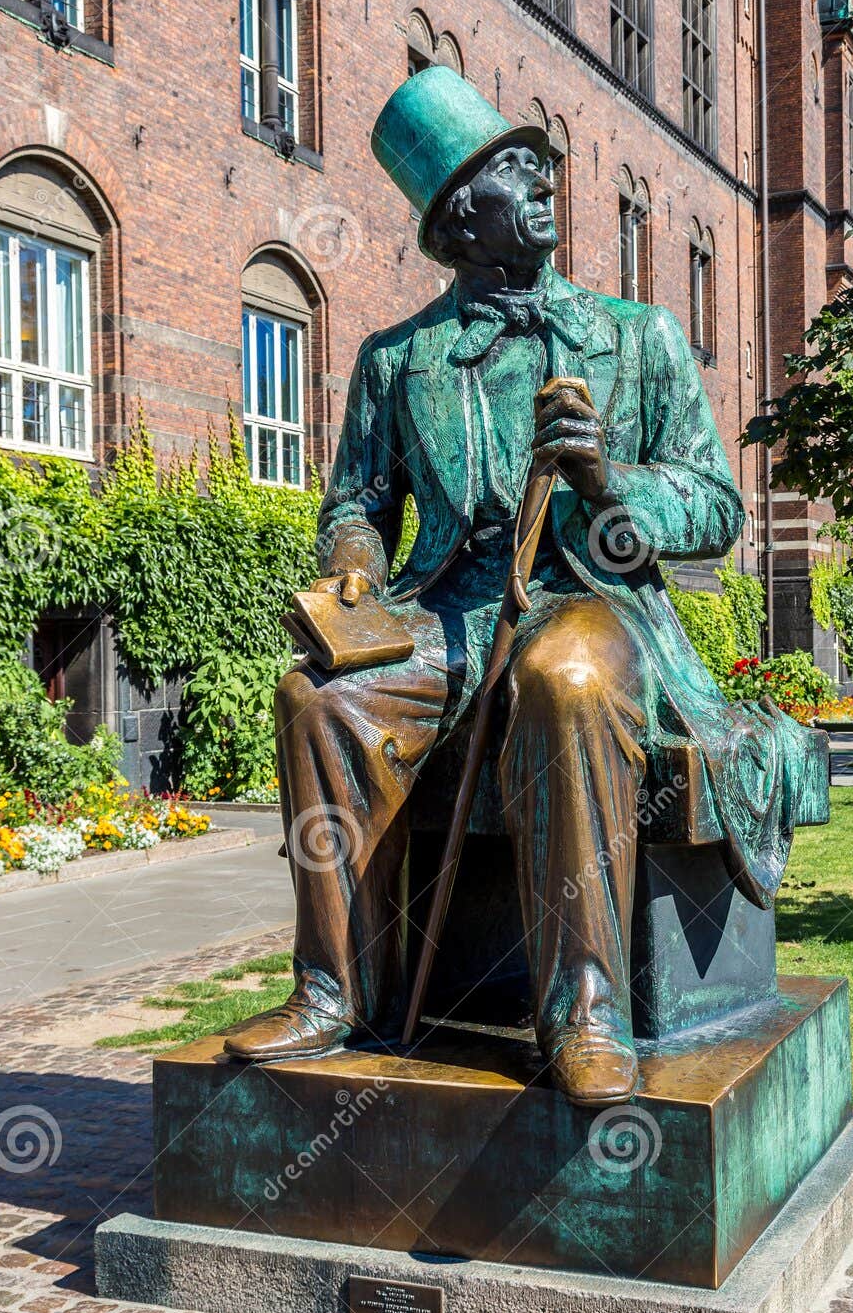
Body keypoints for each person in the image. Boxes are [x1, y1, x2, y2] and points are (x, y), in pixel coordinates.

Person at [221, 68, 818, 1107]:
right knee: (314, 699)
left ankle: (583, 1011)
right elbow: (353, 501)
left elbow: (713, 504)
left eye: (541, 168)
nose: (543, 184)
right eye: (513, 170)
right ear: (460, 214)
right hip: (444, 616)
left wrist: (606, 482)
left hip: (597, 602)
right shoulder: (394, 361)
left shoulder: (636, 339)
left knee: (566, 670)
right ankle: (337, 992)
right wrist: (355, 559)